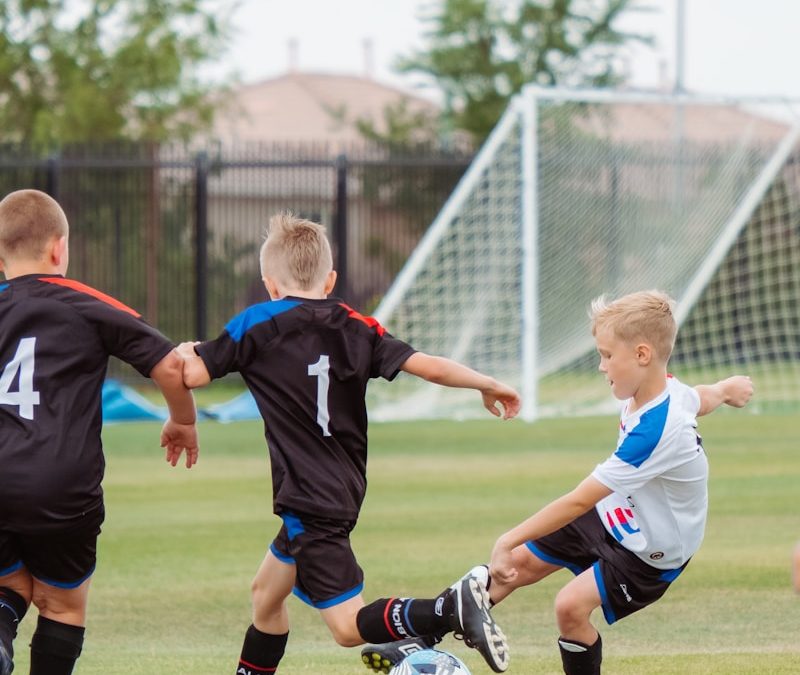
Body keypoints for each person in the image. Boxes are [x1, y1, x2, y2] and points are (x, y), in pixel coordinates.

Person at [178, 212, 520, 675]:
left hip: (306, 495)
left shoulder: (256, 323)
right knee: (266, 595)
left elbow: (193, 374)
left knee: (344, 628)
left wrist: (185, 350)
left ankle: (448, 610)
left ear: (270, 285)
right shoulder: (358, 326)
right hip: (342, 486)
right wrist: (487, 383)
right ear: (330, 280)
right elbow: (427, 365)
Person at [365, 290, 754, 675]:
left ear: (641, 355)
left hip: (651, 552)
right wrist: (725, 390)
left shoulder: (655, 433)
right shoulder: (660, 388)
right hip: (618, 511)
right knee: (516, 565)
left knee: (569, 607)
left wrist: (506, 538)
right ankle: (419, 640)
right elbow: (697, 397)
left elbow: (576, 502)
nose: (601, 367)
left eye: (606, 356)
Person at [0, 189, 199, 675]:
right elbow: (171, 366)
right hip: (62, 484)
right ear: (59, 249)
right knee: (62, 606)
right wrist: (183, 421)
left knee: (12, 588)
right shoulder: (86, 303)